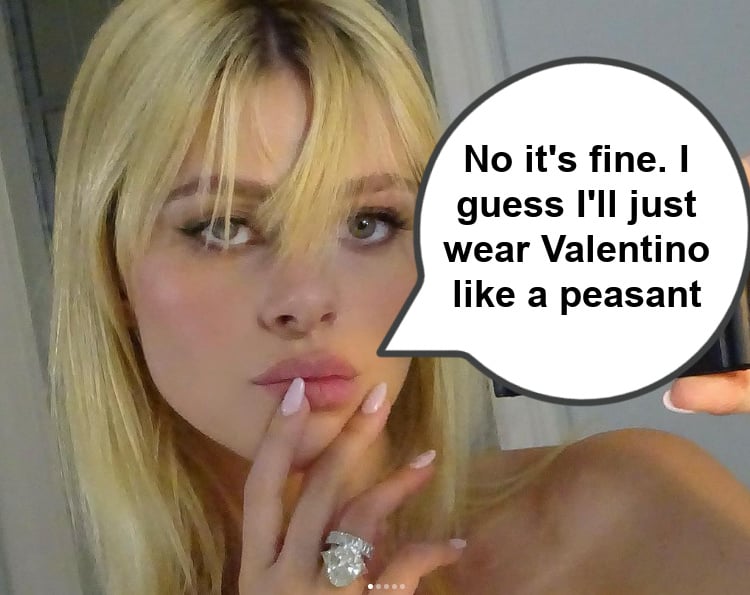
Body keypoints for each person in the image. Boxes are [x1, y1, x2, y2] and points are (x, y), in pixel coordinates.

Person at [48, 0, 750, 593]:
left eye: (368, 223)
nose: (306, 299)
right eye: (224, 226)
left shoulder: (625, 517)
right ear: (111, 270)